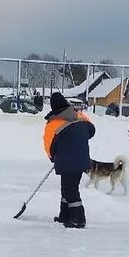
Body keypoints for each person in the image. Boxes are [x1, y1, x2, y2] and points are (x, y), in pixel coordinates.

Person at [43, 92, 95, 228]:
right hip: (82, 158)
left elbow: (49, 145)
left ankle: (78, 219)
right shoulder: (79, 115)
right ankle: (65, 215)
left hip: (67, 160)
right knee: (67, 188)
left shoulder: (54, 122)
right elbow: (91, 130)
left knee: (70, 189)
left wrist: (53, 157)